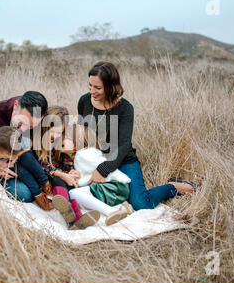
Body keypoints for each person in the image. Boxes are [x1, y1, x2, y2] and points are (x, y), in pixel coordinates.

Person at [77, 61, 196, 211]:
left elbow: (124, 145)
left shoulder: (125, 108)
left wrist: (103, 169)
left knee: (141, 203)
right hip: (95, 158)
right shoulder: (84, 101)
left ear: (111, 86)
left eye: (98, 88)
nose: (92, 91)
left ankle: (176, 186)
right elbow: (83, 135)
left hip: (122, 159)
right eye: (90, 85)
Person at [35, 106, 101, 230]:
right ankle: (68, 209)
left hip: (58, 177)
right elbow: (42, 165)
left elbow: (62, 164)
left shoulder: (59, 143)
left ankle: (75, 219)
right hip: (45, 178)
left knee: (70, 184)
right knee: (58, 179)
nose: (54, 136)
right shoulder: (38, 141)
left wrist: (70, 172)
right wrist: (62, 174)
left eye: (59, 132)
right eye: (51, 131)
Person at [59, 124, 135, 226]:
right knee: (81, 198)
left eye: (66, 138)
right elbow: (90, 173)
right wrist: (79, 175)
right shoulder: (83, 154)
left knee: (74, 194)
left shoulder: (83, 155)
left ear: (77, 143)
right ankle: (121, 208)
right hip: (115, 188)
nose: (61, 140)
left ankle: (111, 212)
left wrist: (78, 180)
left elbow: (92, 178)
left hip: (114, 186)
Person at [0, 126, 53, 211]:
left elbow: (28, 145)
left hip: (17, 157)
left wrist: (18, 154)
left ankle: (44, 181)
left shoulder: (15, 139)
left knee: (27, 157)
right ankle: (37, 192)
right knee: (21, 172)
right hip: (5, 168)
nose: (13, 157)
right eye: (9, 155)